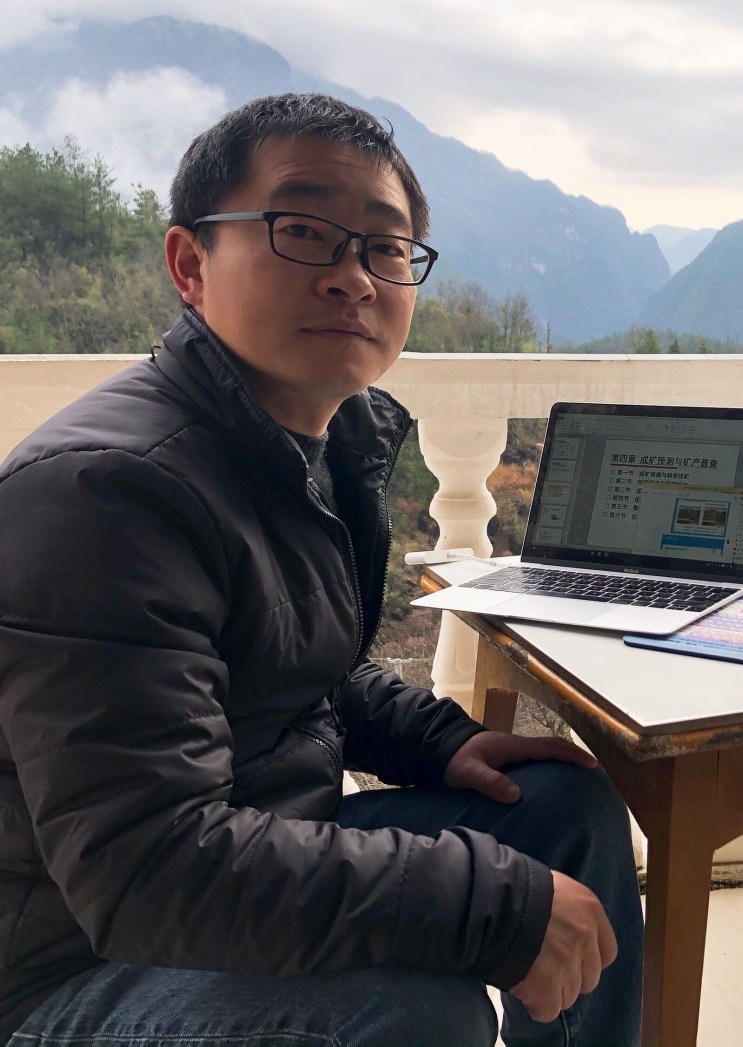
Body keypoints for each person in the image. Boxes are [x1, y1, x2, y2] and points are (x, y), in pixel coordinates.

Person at [0, 93, 643, 1047]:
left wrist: (438, 742)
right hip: (76, 960)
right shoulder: (102, 492)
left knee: (568, 810)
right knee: (418, 1016)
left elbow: (297, 666)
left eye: (385, 247)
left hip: (253, 846)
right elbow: (145, 868)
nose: (353, 277)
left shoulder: (318, 446)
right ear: (190, 264)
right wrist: (487, 903)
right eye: (302, 232)